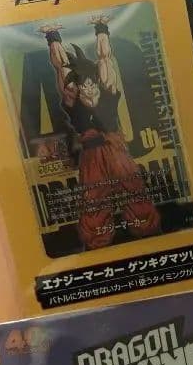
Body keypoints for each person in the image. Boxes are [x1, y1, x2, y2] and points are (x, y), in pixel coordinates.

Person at [41, 15, 160, 249]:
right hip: (92, 156)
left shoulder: (107, 90)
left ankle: (148, 232)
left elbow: (105, 58)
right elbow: (61, 67)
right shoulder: (73, 99)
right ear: (78, 87)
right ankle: (98, 242)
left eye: (91, 83)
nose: (88, 88)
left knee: (134, 190)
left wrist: (101, 28)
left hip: (115, 151)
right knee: (94, 200)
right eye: (83, 85)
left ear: (96, 82)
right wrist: (52, 36)